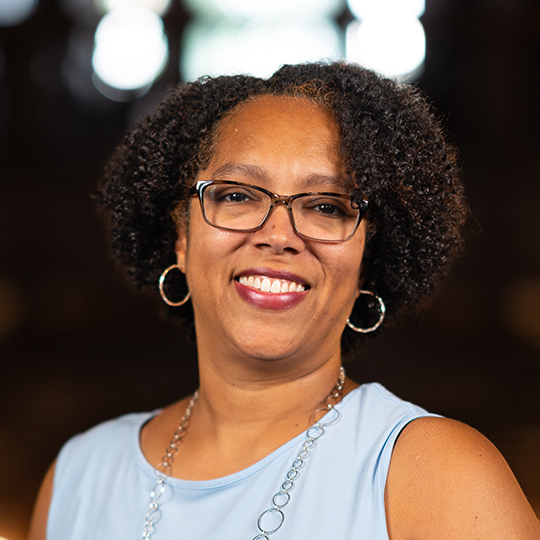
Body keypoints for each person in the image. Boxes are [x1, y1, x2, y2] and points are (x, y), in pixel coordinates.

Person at [29, 62, 540, 539]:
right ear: (180, 239)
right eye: (236, 195)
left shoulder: (438, 475)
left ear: (368, 261)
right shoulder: (80, 474)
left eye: (325, 206)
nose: (279, 235)